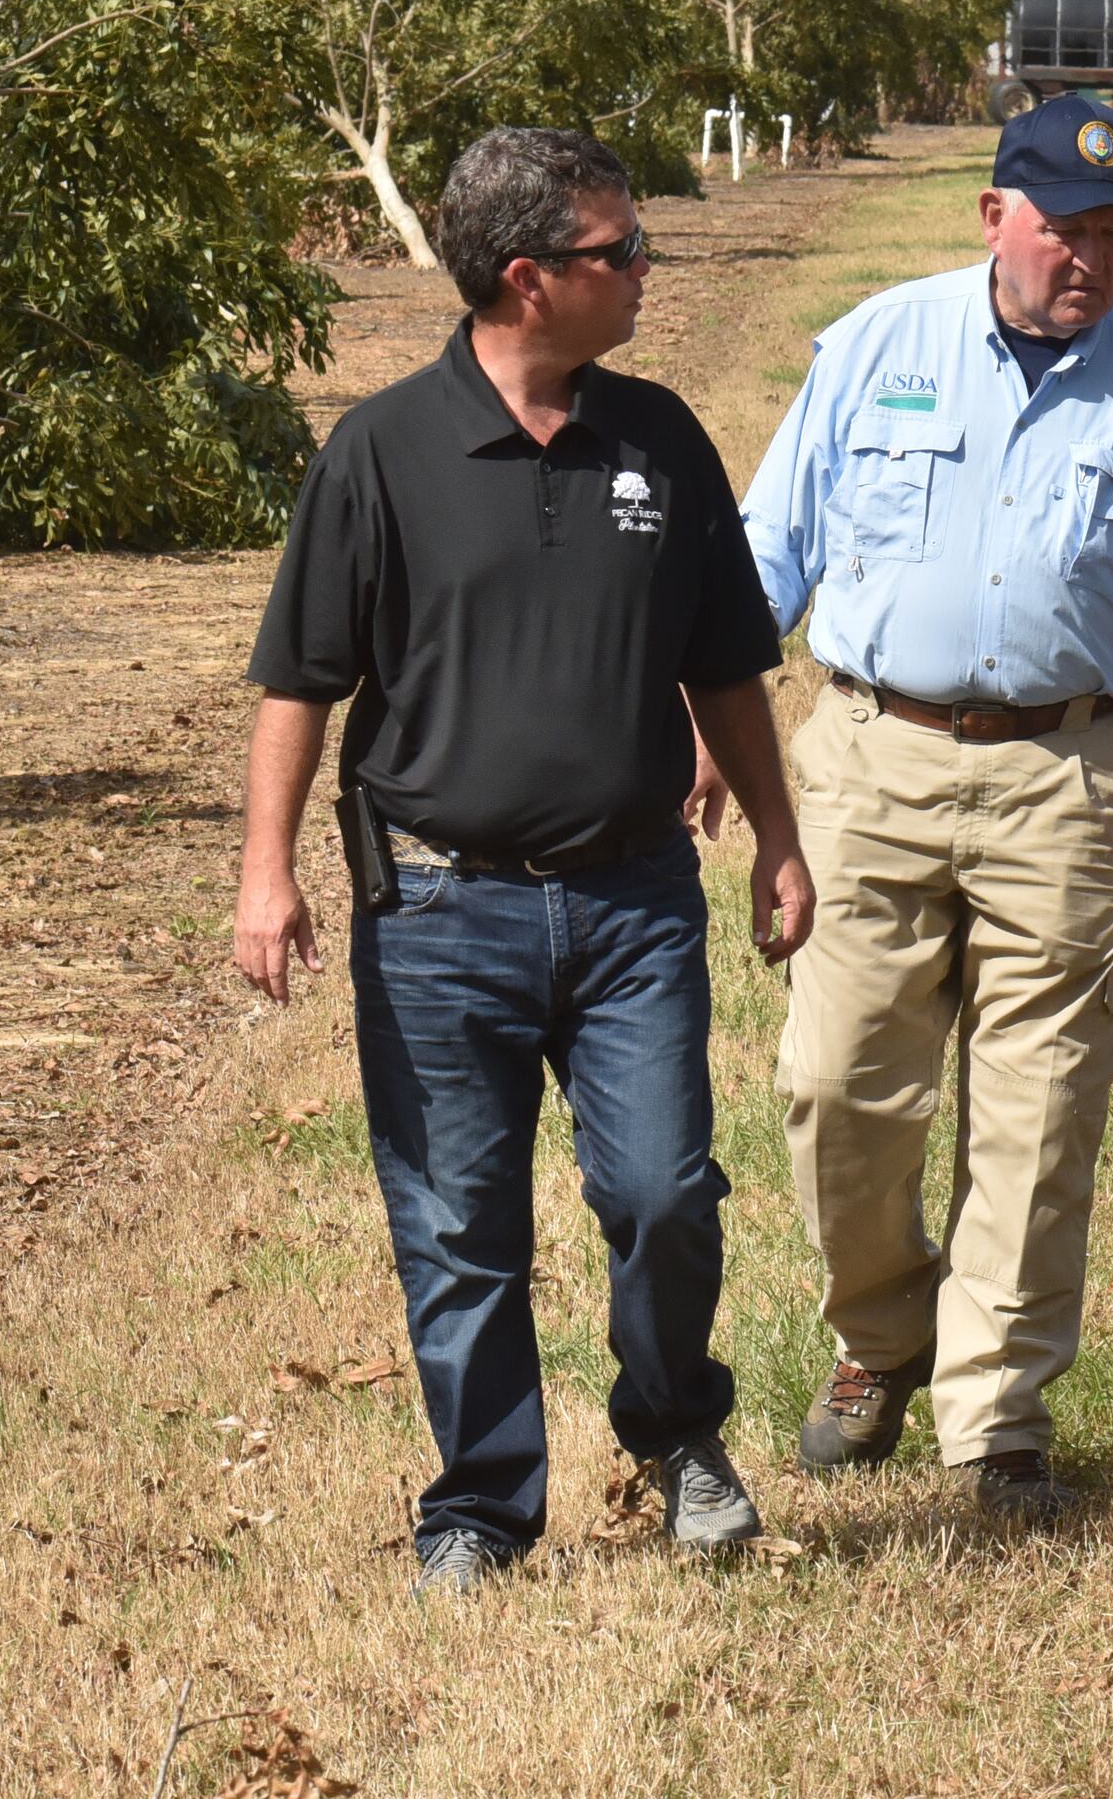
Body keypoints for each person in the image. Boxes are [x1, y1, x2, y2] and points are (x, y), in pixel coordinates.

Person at [231, 128, 814, 1598]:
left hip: (632, 901)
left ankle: (681, 1434)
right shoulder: (381, 451)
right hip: (437, 908)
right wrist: (266, 871)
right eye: (619, 251)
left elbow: (728, 665)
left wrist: (781, 838)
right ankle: (482, 1507)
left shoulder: (661, 438)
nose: (643, 272)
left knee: (667, 1188)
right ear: (525, 276)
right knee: (458, 1224)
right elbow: (299, 679)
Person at [717, 95, 1113, 1525]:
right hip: (870, 755)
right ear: (991, 217)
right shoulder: (875, 347)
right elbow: (763, 556)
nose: (1087, 255)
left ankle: (997, 1418)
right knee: (837, 1084)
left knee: (1040, 1108)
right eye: (1062, 227)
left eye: (1110, 234)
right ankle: (880, 1338)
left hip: (1069, 775)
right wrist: (706, 725)